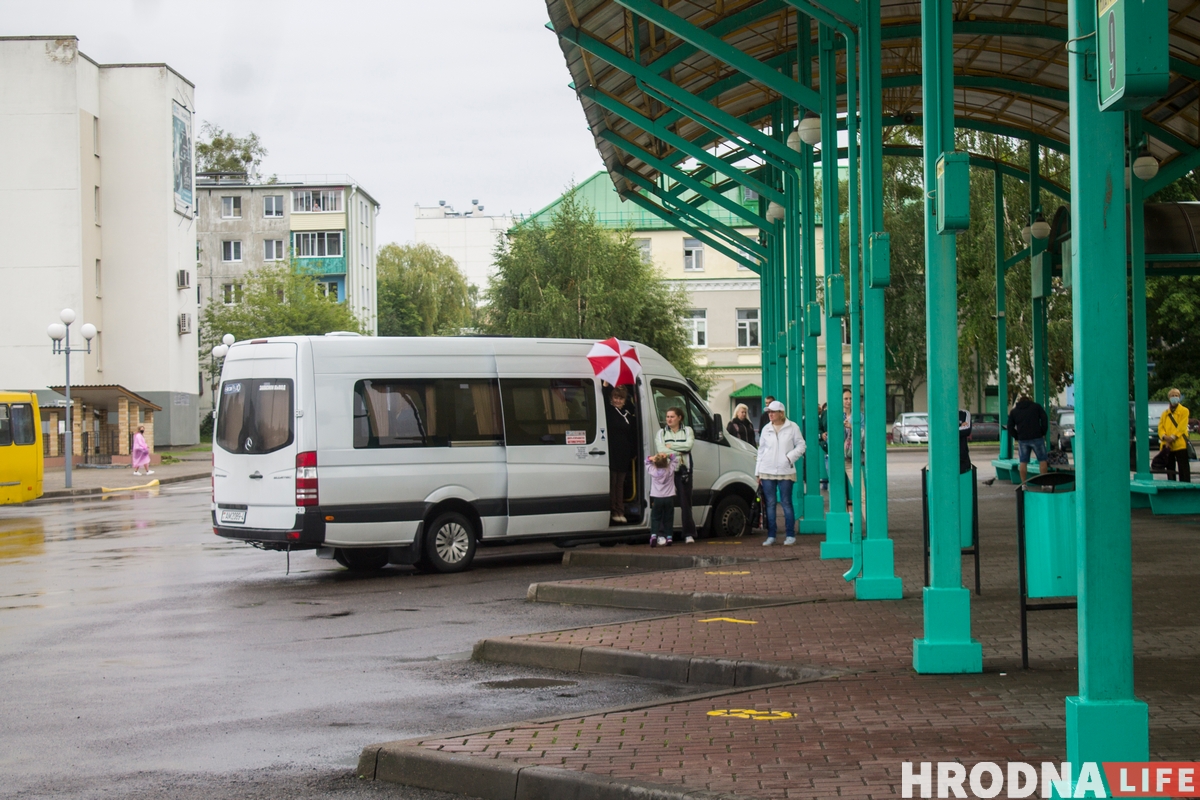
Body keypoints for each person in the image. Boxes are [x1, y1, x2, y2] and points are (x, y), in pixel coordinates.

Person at [756, 400, 805, 546]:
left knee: (786, 502)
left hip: (785, 470)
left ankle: (790, 534)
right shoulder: (766, 429)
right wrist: (757, 472)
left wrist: (789, 457)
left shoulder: (793, 427)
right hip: (767, 470)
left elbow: (801, 445)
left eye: (773, 412)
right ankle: (771, 535)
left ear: (781, 413)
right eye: (769, 412)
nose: (770, 414)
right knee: (770, 503)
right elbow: (761, 450)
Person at [656, 407, 697, 543]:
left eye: (672, 416)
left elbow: (688, 446)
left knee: (686, 503)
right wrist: (679, 450)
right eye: (667, 416)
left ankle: (689, 534)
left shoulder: (688, 430)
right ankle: (662, 534)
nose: (669, 419)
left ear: (679, 417)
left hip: (684, 470)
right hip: (667, 471)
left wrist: (671, 447)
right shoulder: (661, 433)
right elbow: (661, 450)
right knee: (665, 503)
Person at [604, 385, 638, 523]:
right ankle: (613, 510)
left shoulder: (627, 414)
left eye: (621, 398)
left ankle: (620, 510)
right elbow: (604, 394)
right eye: (615, 397)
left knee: (620, 484)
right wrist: (606, 386)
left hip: (624, 453)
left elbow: (632, 435)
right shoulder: (609, 411)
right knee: (612, 483)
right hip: (612, 452)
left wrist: (633, 452)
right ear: (611, 398)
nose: (618, 400)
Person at [1007, 395, 1049, 483]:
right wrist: (1042, 431)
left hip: (1023, 439)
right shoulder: (1036, 407)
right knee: (1042, 460)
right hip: (1037, 437)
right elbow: (1044, 419)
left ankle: (1024, 483)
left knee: (1023, 462)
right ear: (1029, 401)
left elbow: (1010, 427)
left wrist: (1017, 436)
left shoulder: (1014, 411)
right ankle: (1044, 483)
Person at [646, 452, 679, 547]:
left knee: (655, 517)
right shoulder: (670, 469)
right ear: (666, 462)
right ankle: (669, 537)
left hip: (657, 498)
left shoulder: (653, 471)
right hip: (669, 497)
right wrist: (668, 455)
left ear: (655, 463)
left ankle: (654, 536)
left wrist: (652, 458)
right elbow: (675, 459)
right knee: (668, 518)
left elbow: (646, 462)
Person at [1158, 388, 1191, 483]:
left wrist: (1172, 437)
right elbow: (1160, 427)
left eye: (1176, 395)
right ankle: (1171, 484)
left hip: (1180, 444)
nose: (1174, 397)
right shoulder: (1165, 413)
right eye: (1172, 395)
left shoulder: (1184, 411)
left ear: (1179, 397)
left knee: (1183, 468)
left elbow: (1182, 427)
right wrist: (1164, 436)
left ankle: (1185, 485)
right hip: (1168, 446)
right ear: (1169, 398)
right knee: (1170, 468)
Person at [958, 408, 973, 474]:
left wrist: (949, 431)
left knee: (964, 473)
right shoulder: (939, 413)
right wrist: (960, 426)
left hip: (962, 455)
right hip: (943, 455)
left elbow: (967, 430)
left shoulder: (964, 413)